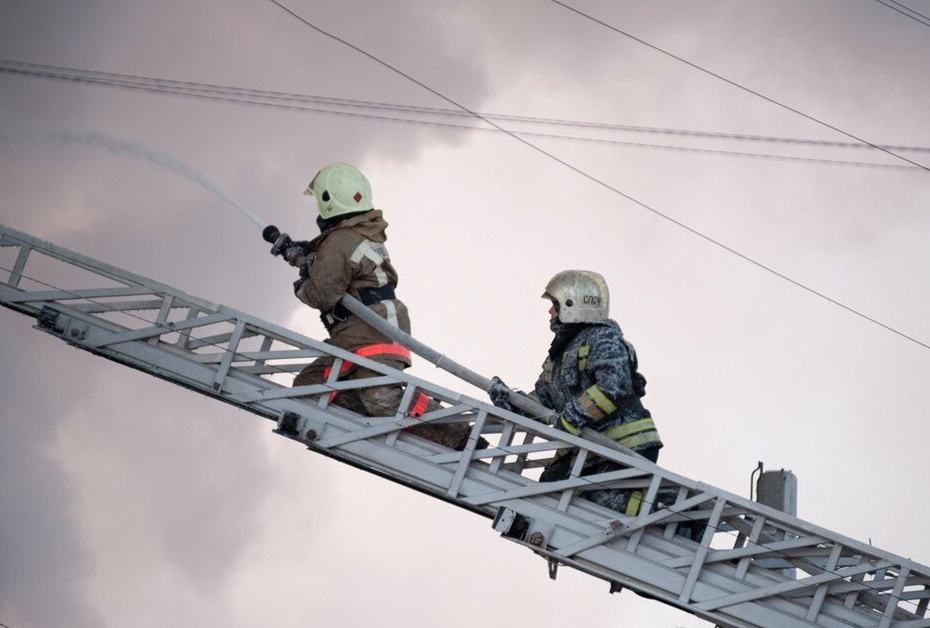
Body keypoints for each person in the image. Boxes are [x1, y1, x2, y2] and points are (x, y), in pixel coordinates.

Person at [283, 162, 465, 447]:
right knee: (309, 386)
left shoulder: (340, 240)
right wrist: (310, 253)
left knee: (382, 399)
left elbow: (322, 294)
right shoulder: (356, 233)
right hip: (363, 332)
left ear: (328, 201)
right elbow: (340, 262)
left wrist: (303, 280)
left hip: (371, 332)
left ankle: (457, 432)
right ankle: (344, 419)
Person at [490, 270, 662, 516]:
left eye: (555, 305)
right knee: (549, 493)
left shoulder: (603, 338)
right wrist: (512, 403)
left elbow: (614, 386)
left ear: (574, 305)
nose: (550, 312)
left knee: (600, 509)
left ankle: (668, 515)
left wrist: (571, 417)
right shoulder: (562, 353)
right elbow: (544, 398)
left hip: (623, 446)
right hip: (589, 450)